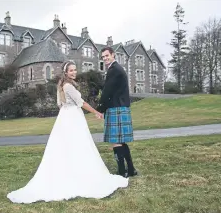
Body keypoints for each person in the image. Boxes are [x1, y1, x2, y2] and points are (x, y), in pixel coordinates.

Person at [7, 61, 129, 204]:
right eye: (71, 70)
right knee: (78, 145)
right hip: (73, 117)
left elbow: (60, 104)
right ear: (66, 72)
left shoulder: (61, 85)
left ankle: (71, 171)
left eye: (75, 70)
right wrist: (97, 112)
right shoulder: (68, 86)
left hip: (65, 117)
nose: (74, 72)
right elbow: (81, 103)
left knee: (67, 147)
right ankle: (77, 176)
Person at [97, 47, 138, 178]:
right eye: (103, 57)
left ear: (113, 55)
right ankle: (131, 170)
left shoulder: (114, 70)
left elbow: (107, 92)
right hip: (121, 107)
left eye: (107, 55)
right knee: (122, 141)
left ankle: (122, 172)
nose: (105, 58)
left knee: (116, 141)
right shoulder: (117, 69)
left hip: (116, 108)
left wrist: (100, 108)